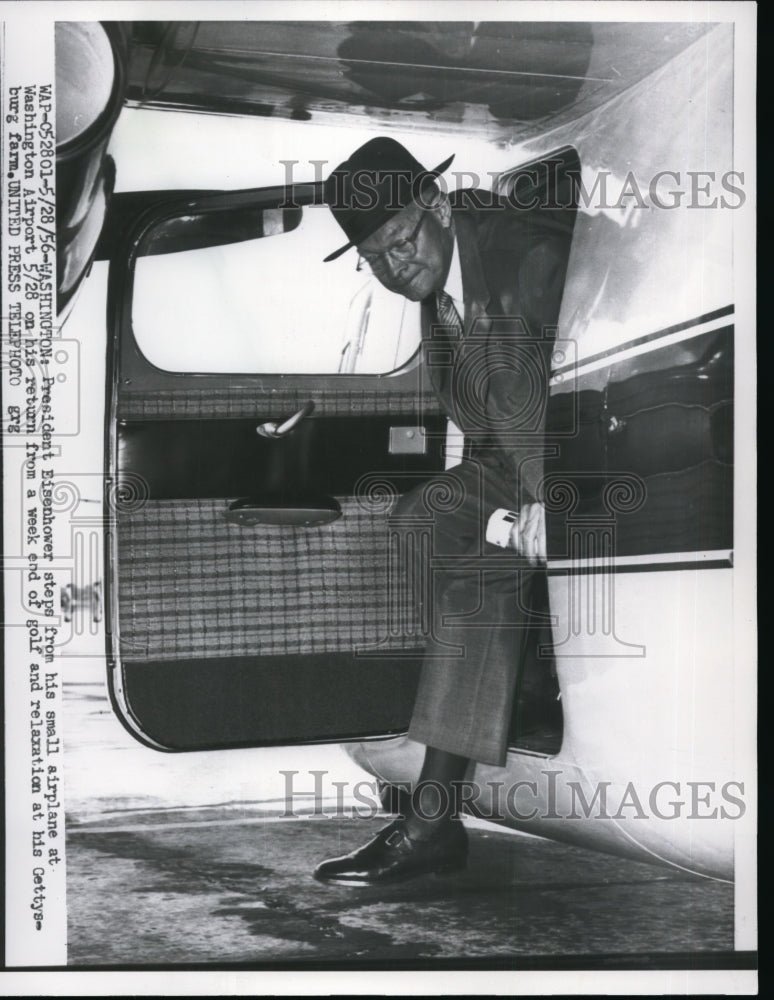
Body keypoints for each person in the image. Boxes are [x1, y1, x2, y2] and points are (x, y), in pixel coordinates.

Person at [314, 137, 573, 885]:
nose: (397, 267)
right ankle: (508, 685)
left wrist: (551, 497)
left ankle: (430, 820)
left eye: (401, 243)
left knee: (476, 585)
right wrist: (500, 505)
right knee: (428, 519)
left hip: (586, 448)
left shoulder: (521, 257)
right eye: (378, 260)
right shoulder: (441, 286)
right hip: (518, 458)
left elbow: (552, 381)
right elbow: (486, 414)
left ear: (435, 203)